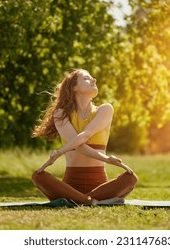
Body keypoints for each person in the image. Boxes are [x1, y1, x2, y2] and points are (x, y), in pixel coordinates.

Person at [31, 68, 138, 205]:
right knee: (38, 177)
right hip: (70, 185)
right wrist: (106, 158)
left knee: (131, 178)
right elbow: (79, 146)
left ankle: (80, 201)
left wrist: (58, 153)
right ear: (74, 87)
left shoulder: (104, 109)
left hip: (100, 185)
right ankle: (93, 201)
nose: (94, 79)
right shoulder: (61, 114)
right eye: (87, 78)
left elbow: (85, 135)